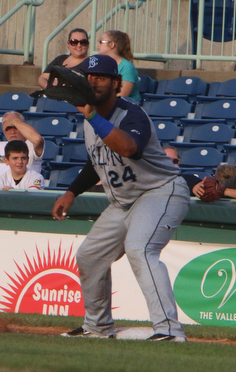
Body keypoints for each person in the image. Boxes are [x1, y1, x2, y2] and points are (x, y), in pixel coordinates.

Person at [52, 55, 189, 342]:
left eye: (101, 77)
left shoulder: (131, 113)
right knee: (89, 256)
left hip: (159, 191)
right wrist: (71, 192)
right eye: (88, 77)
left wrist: (91, 117)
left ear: (116, 83)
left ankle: (169, 331)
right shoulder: (92, 119)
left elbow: (127, 148)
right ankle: (97, 327)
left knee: (140, 248)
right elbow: (97, 161)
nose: (93, 82)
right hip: (123, 202)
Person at [0, 111, 45, 187]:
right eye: (8, 128)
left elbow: (37, 139)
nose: (12, 132)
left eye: (16, 127)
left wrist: (14, 121)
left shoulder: (31, 145)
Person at [98, 30, 141, 102]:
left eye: (101, 42)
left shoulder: (127, 67)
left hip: (126, 109)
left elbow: (121, 96)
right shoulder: (100, 64)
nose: (98, 45)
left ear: (111, 44)